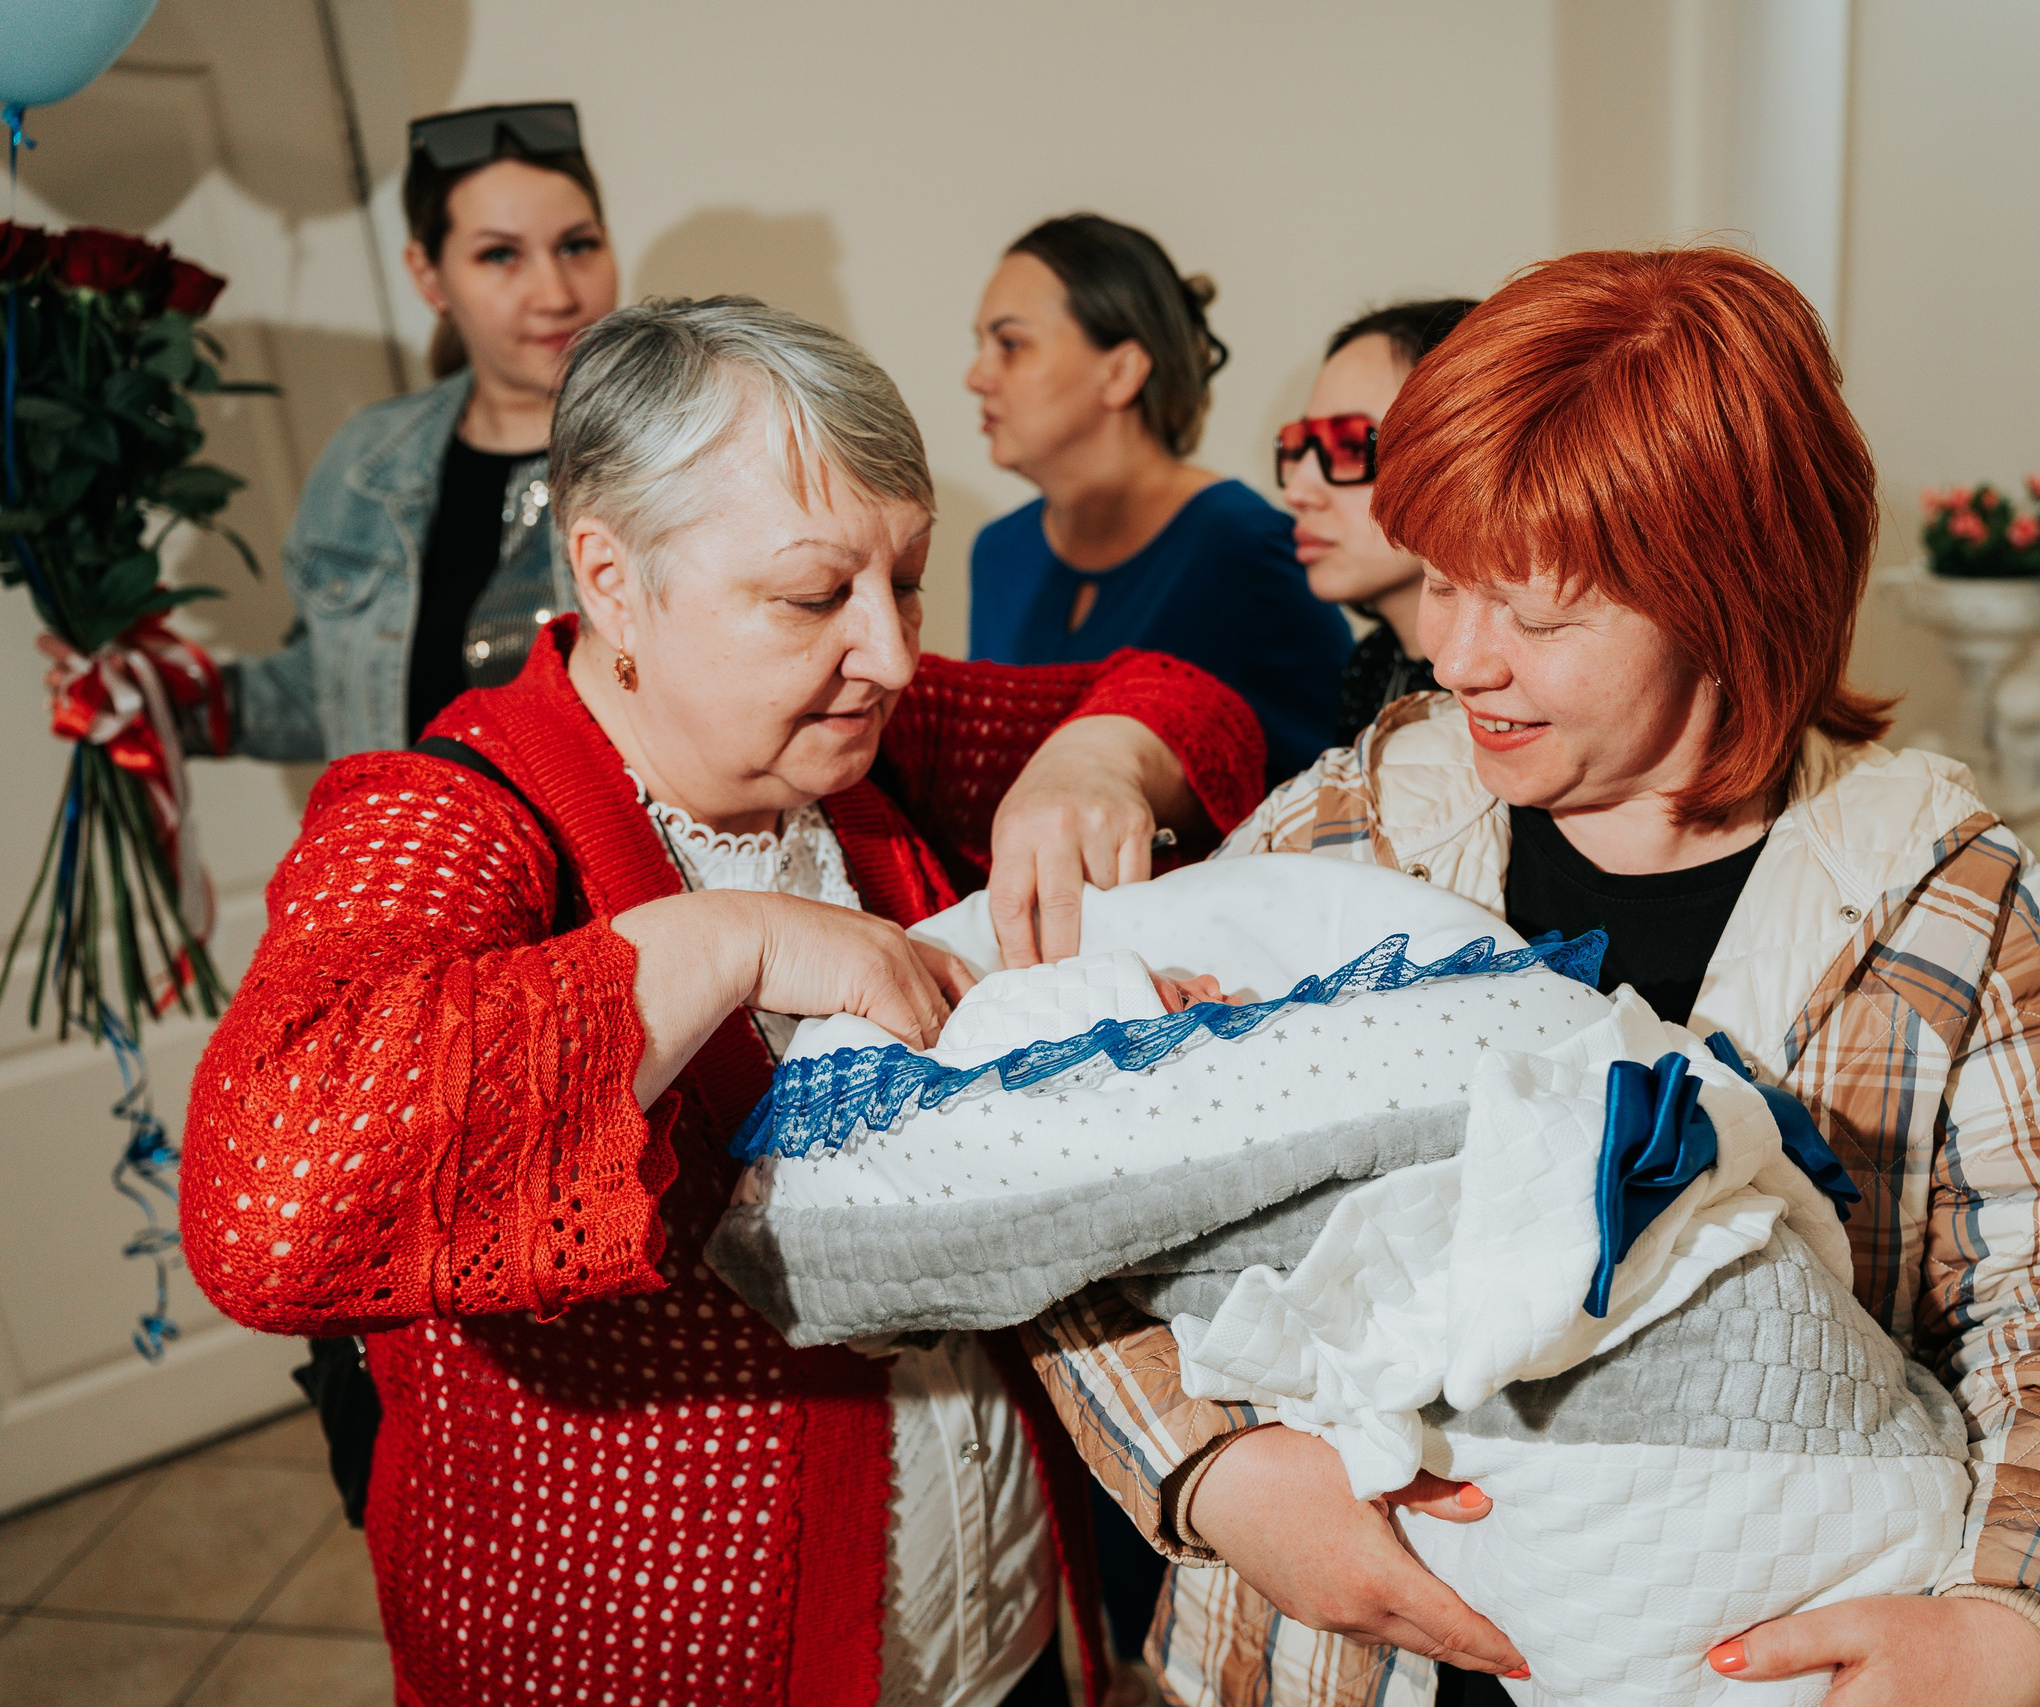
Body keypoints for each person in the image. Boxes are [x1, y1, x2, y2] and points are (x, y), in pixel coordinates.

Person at [1023, 247, 2040, 1707]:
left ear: (1731, 597)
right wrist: (1215, 1468)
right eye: (1441, 580)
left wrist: (2017, 1627)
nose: (1456, 656)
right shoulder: (1355, 828)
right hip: (1320, 1662)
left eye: (1537, 615)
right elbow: (1066, 1165)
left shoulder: (1936, 903)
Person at [176, 296, 1268, 1707]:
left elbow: (1186, 698)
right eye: (813, 597)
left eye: (907, 579)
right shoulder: (448, 818)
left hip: (1002, 1634)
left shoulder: (868, 737)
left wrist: (1096, 759)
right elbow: (268, 1206)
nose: (888, 650)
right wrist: (727, 941)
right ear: (613, 580)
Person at [47, 102, 618, 756]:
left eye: (577, 245)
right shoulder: (371, 459)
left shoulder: (679, 448)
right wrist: (153, 698)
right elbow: (333, 693)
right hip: (405, 825)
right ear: (429, 276)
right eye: (500, 255)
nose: (556, 294)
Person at [967, 213, 1349, 783]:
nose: (976, 376)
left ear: (1121, 370)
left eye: (1010, 344)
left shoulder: (1247, 550)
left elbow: (1343, 778)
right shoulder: (999, 553)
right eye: (979, 345)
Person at [1278, 298, 1476, 746]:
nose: (1297, 492)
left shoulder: (1506, 687)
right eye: (1299, 445)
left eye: (1350, 446)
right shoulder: (1372, 665)